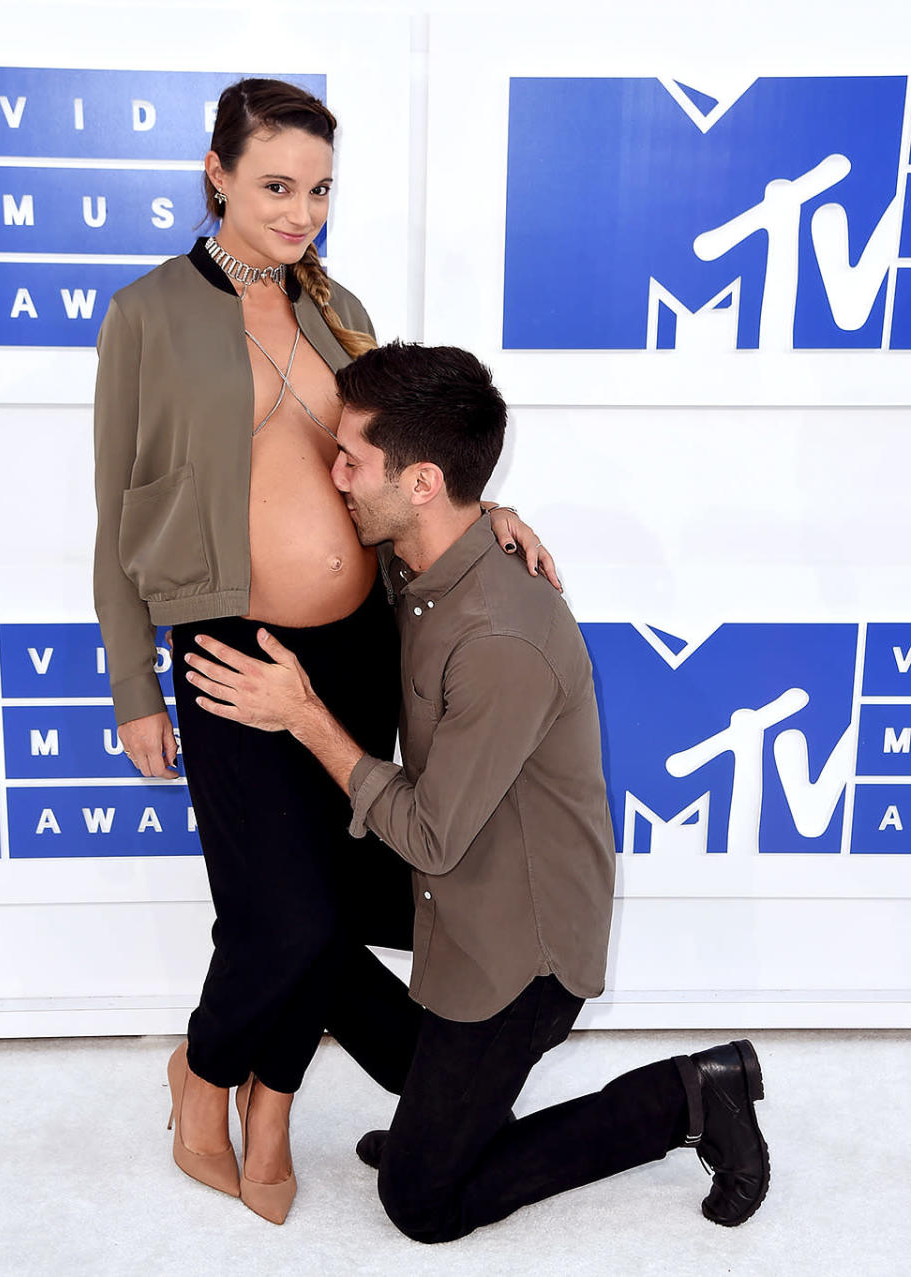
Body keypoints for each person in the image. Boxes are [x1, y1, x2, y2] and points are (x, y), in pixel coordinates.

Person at [92, 79, 556, 1224]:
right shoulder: (149, 313)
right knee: (281, 912)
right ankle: (203, 1071)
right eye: (277, 186)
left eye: (320, 189)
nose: (303, 211)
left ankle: (275, 1101)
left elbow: (399, 457)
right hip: (231, 648)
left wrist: (484, 512)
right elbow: (116, 513)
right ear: (217, 174)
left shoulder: (333, 300)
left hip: (357, 647)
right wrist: (133, 684)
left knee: (329, 906)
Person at [182, 340, 771, 1243]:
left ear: (421, 482)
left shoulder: (500, 636)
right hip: (458, 871)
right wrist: (494, 504)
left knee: (421, 1202)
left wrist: (303, 714)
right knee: (299, 906)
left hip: (517, 943)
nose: (331, 476)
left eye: (352, 460)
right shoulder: (426, 556)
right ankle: (433, 1106)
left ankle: (690, 1095)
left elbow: (426, 836)